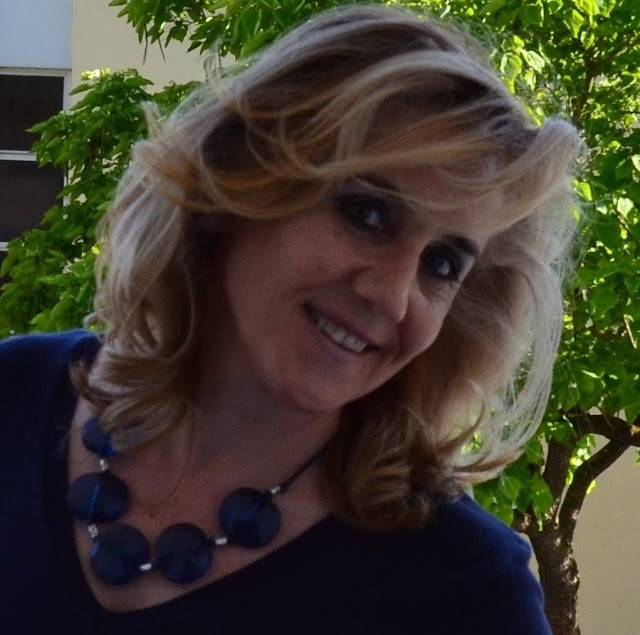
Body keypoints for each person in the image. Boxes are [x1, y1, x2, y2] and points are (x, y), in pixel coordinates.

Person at [0, 5, 580, 633]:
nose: (392, 298)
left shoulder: (467, 591)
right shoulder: (14, 393)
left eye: (441, 264)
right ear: (233, 184)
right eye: (367, 215)